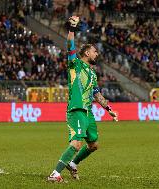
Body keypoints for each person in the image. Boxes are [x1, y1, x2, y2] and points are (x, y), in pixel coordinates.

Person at [47, 16, 118, 183]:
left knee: (94, 145)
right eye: (94, 51)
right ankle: (55, 174)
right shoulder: (75, 64)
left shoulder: (93, 73)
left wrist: (109, 110)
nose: (97, 53)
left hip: (88, 113)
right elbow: (70, 45)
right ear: (87, 53)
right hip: (77, 109)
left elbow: (97, 94)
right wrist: (72, 28)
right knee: (77, 144)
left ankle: (72, 163)